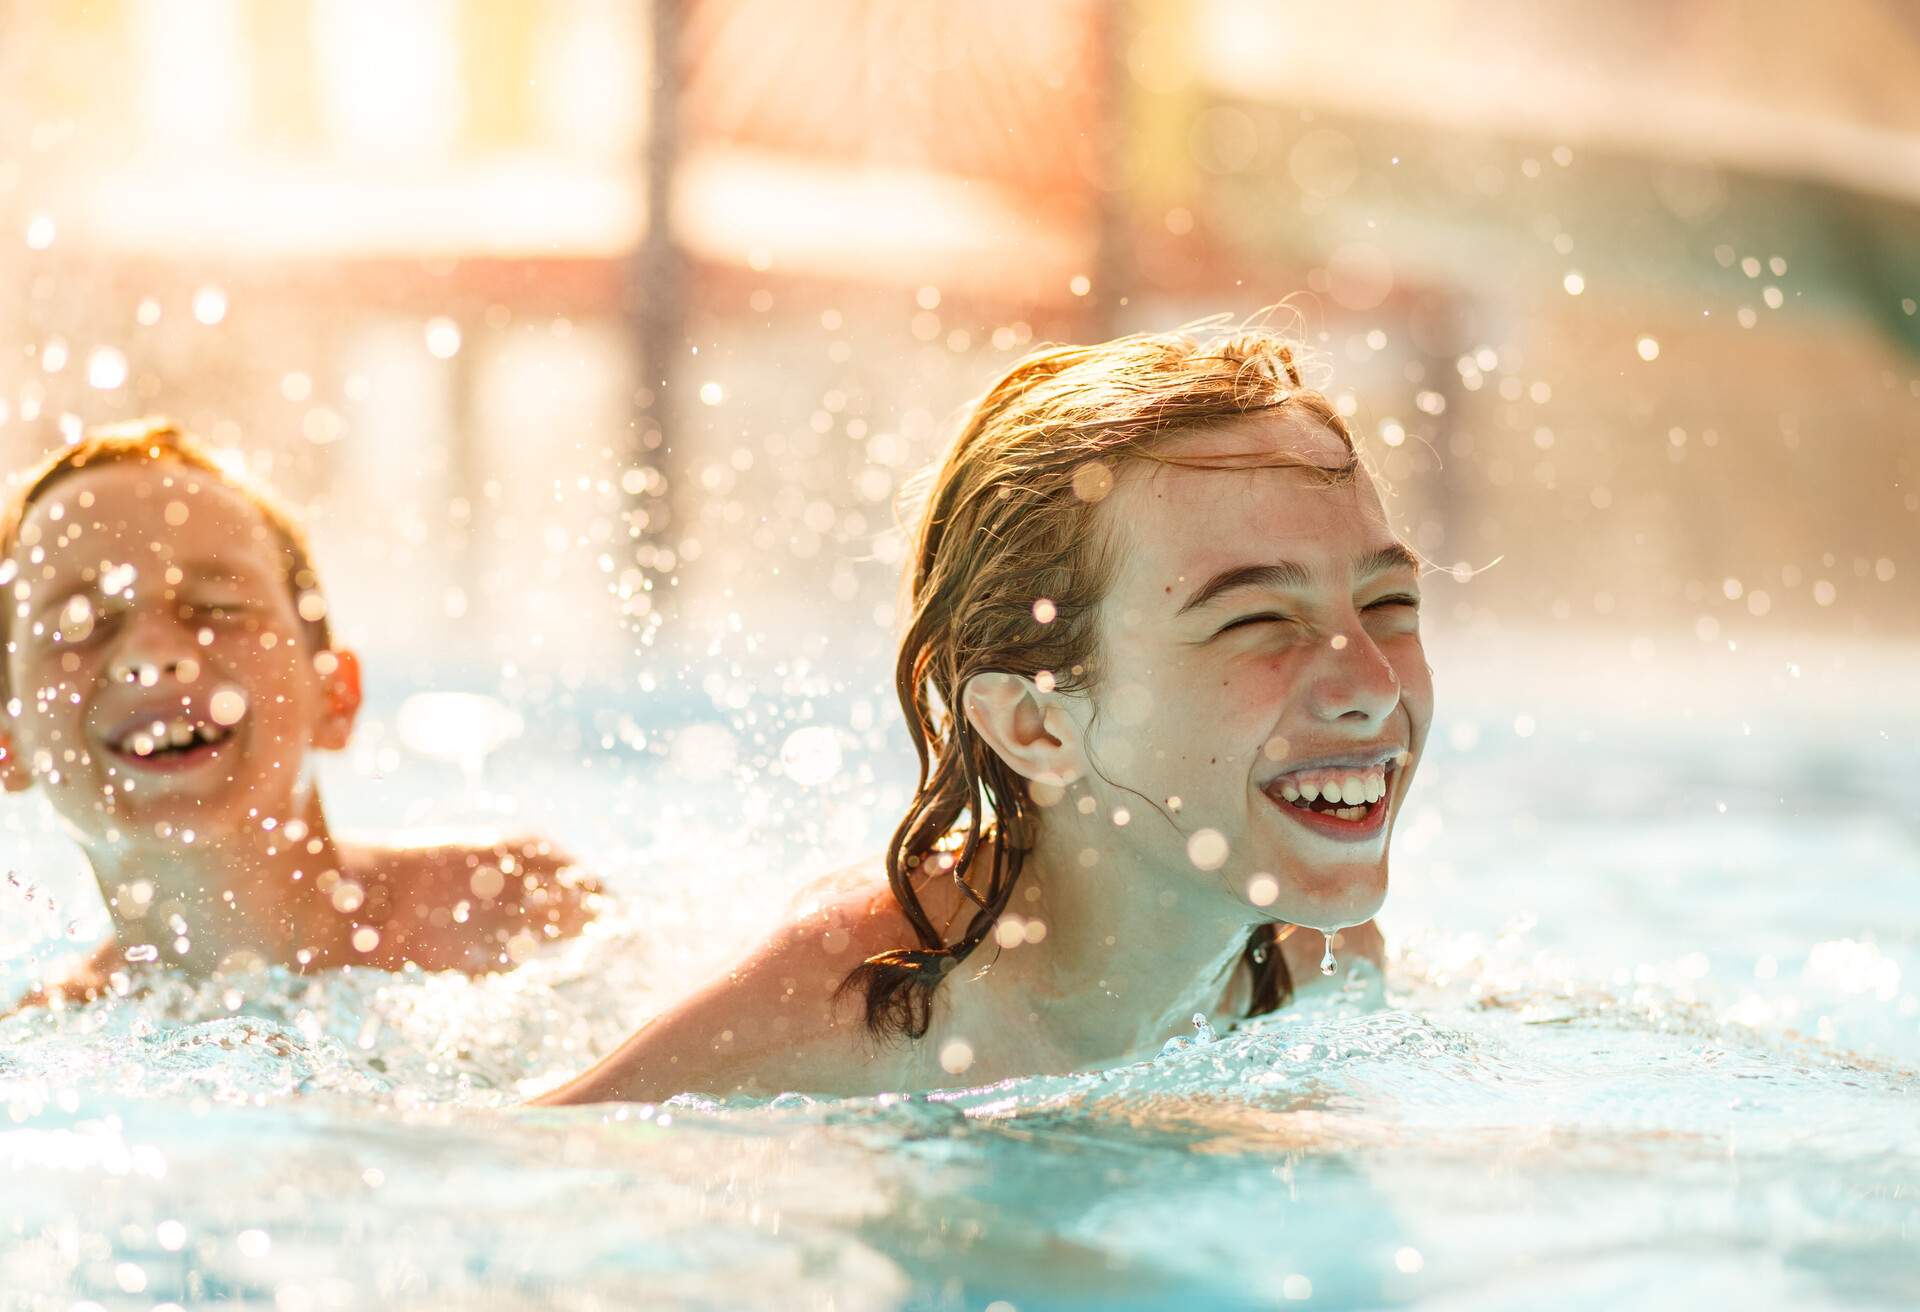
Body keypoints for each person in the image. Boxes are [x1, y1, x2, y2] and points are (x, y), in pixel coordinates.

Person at [538, 326, 1431, 1103]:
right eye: (1257, 620)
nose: (1374, 685)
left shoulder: (1321, 963)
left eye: (1388, 603)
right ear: (1035, 727)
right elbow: (522, 1165)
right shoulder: (860, 1019)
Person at [0, 419, 598, 1010]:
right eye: (81, 625)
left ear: (335, 698)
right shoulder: (33, 1048)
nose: (155, 657)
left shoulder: (510, 909)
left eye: (217, 607)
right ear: (9, 740)